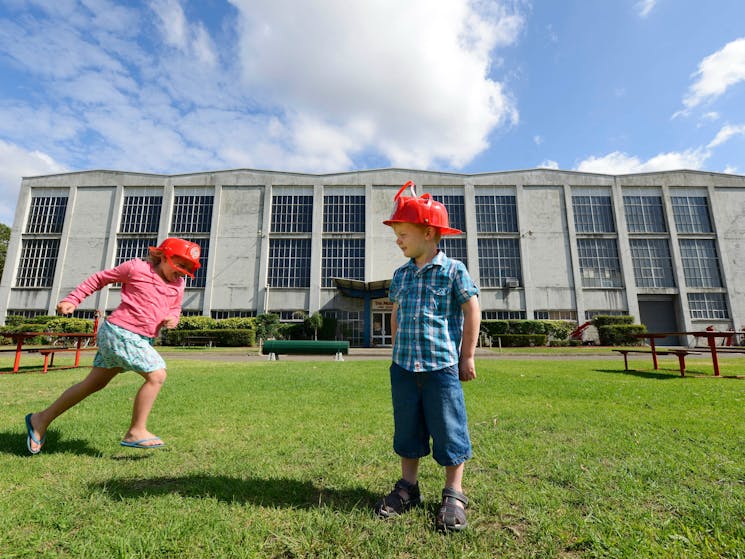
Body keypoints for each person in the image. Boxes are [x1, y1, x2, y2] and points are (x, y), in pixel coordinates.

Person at [24, 237, 201, 455]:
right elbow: (99, 279)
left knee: (92, 384)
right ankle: (136, 431)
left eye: (188, 269)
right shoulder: (136, 268)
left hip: (140, 338)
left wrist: (173, 318)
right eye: (179, 265)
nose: (182, 271)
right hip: (120, 332)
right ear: (162, 256)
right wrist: (73, 299)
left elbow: (175, 308)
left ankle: (40, 419)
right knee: (157, 375)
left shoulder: (178, 284)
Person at [374, 181, 480, 532]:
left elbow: (471, 309)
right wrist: (394, 346)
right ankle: (408, 488)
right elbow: (396, 312)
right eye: (397, 234)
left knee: (449, 430)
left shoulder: (453, 270)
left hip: (441, 367)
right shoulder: (401, 275)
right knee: (408, 428)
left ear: (429, 232)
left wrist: (467, 356)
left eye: (403, 233)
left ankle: (453, 492)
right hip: (404, 367)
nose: (398, 240)